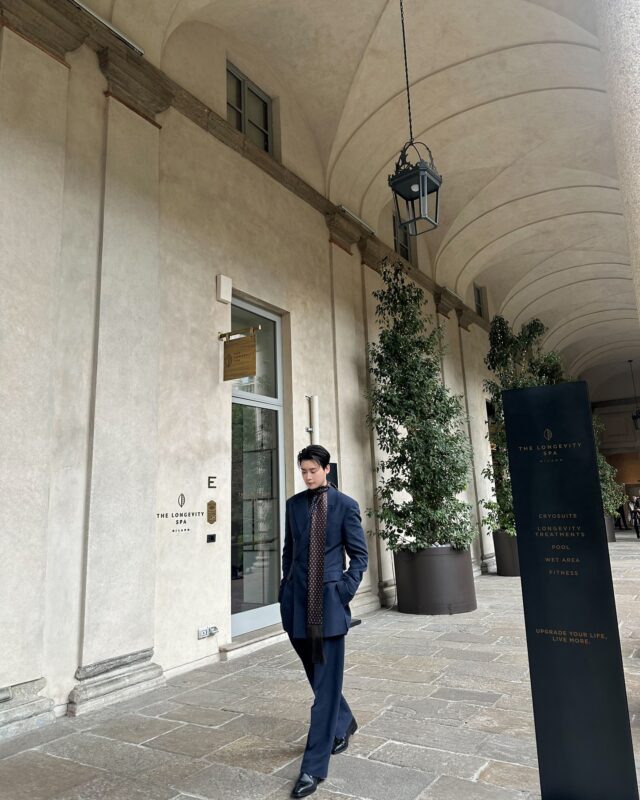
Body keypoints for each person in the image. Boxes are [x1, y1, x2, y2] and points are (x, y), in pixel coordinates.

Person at [279, 445, 368, 798]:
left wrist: (343, 592)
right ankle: (344, 720)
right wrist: (284, 588)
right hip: (296, 606)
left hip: (327, 606)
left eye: (313, 470)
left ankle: (313, 767)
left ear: (326, 469)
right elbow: (289, 551)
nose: (307, 476)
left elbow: (359, 556)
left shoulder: (345, 506)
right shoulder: (293, 505)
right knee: (319, 678)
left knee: (324, 690)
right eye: (303, 471)